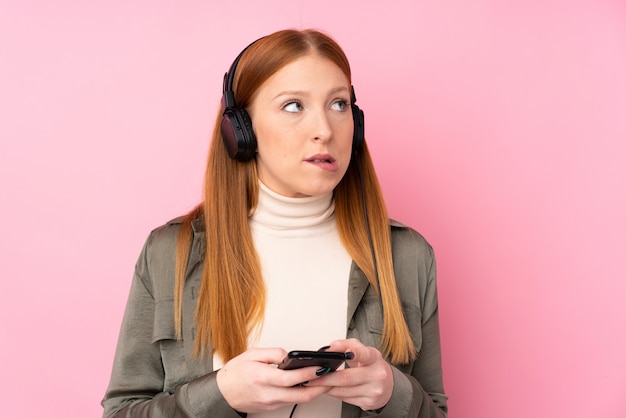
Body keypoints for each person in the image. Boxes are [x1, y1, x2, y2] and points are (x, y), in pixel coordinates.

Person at [102, 28, 448, 418]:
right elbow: (121, 413)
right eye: (294, 106)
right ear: (241, 130)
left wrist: (391, 393)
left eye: (339, 104)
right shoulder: (169, 253)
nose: (325, 130)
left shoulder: (406, 256)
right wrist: (221, 394)